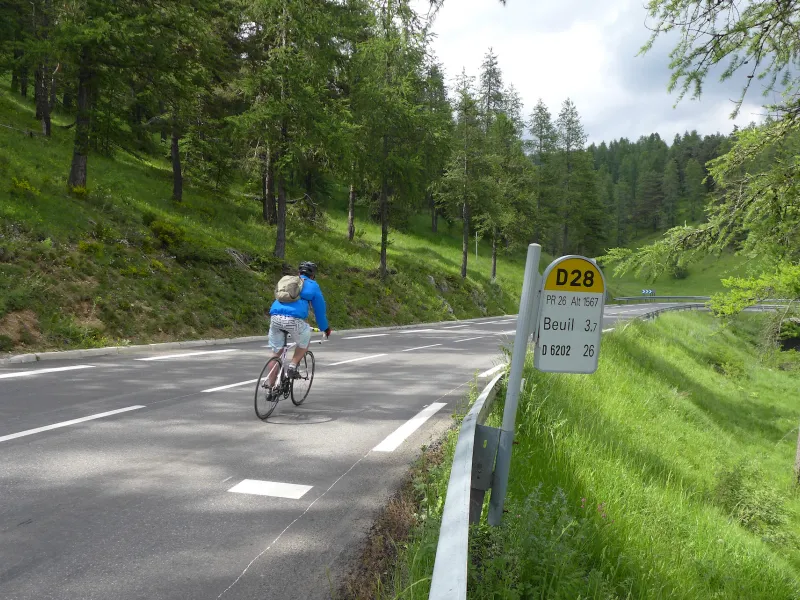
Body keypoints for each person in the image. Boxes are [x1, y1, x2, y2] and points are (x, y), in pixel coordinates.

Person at [268, 261, 331, 381]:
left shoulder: (289, 281)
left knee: (276, 354)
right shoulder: (313, 285)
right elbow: (320, 310)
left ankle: (270, 386)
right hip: (294, 320)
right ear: (313, 275)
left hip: (275, 317)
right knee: (304, 342)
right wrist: (325, 328)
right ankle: (292, 367)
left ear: (299, 272)